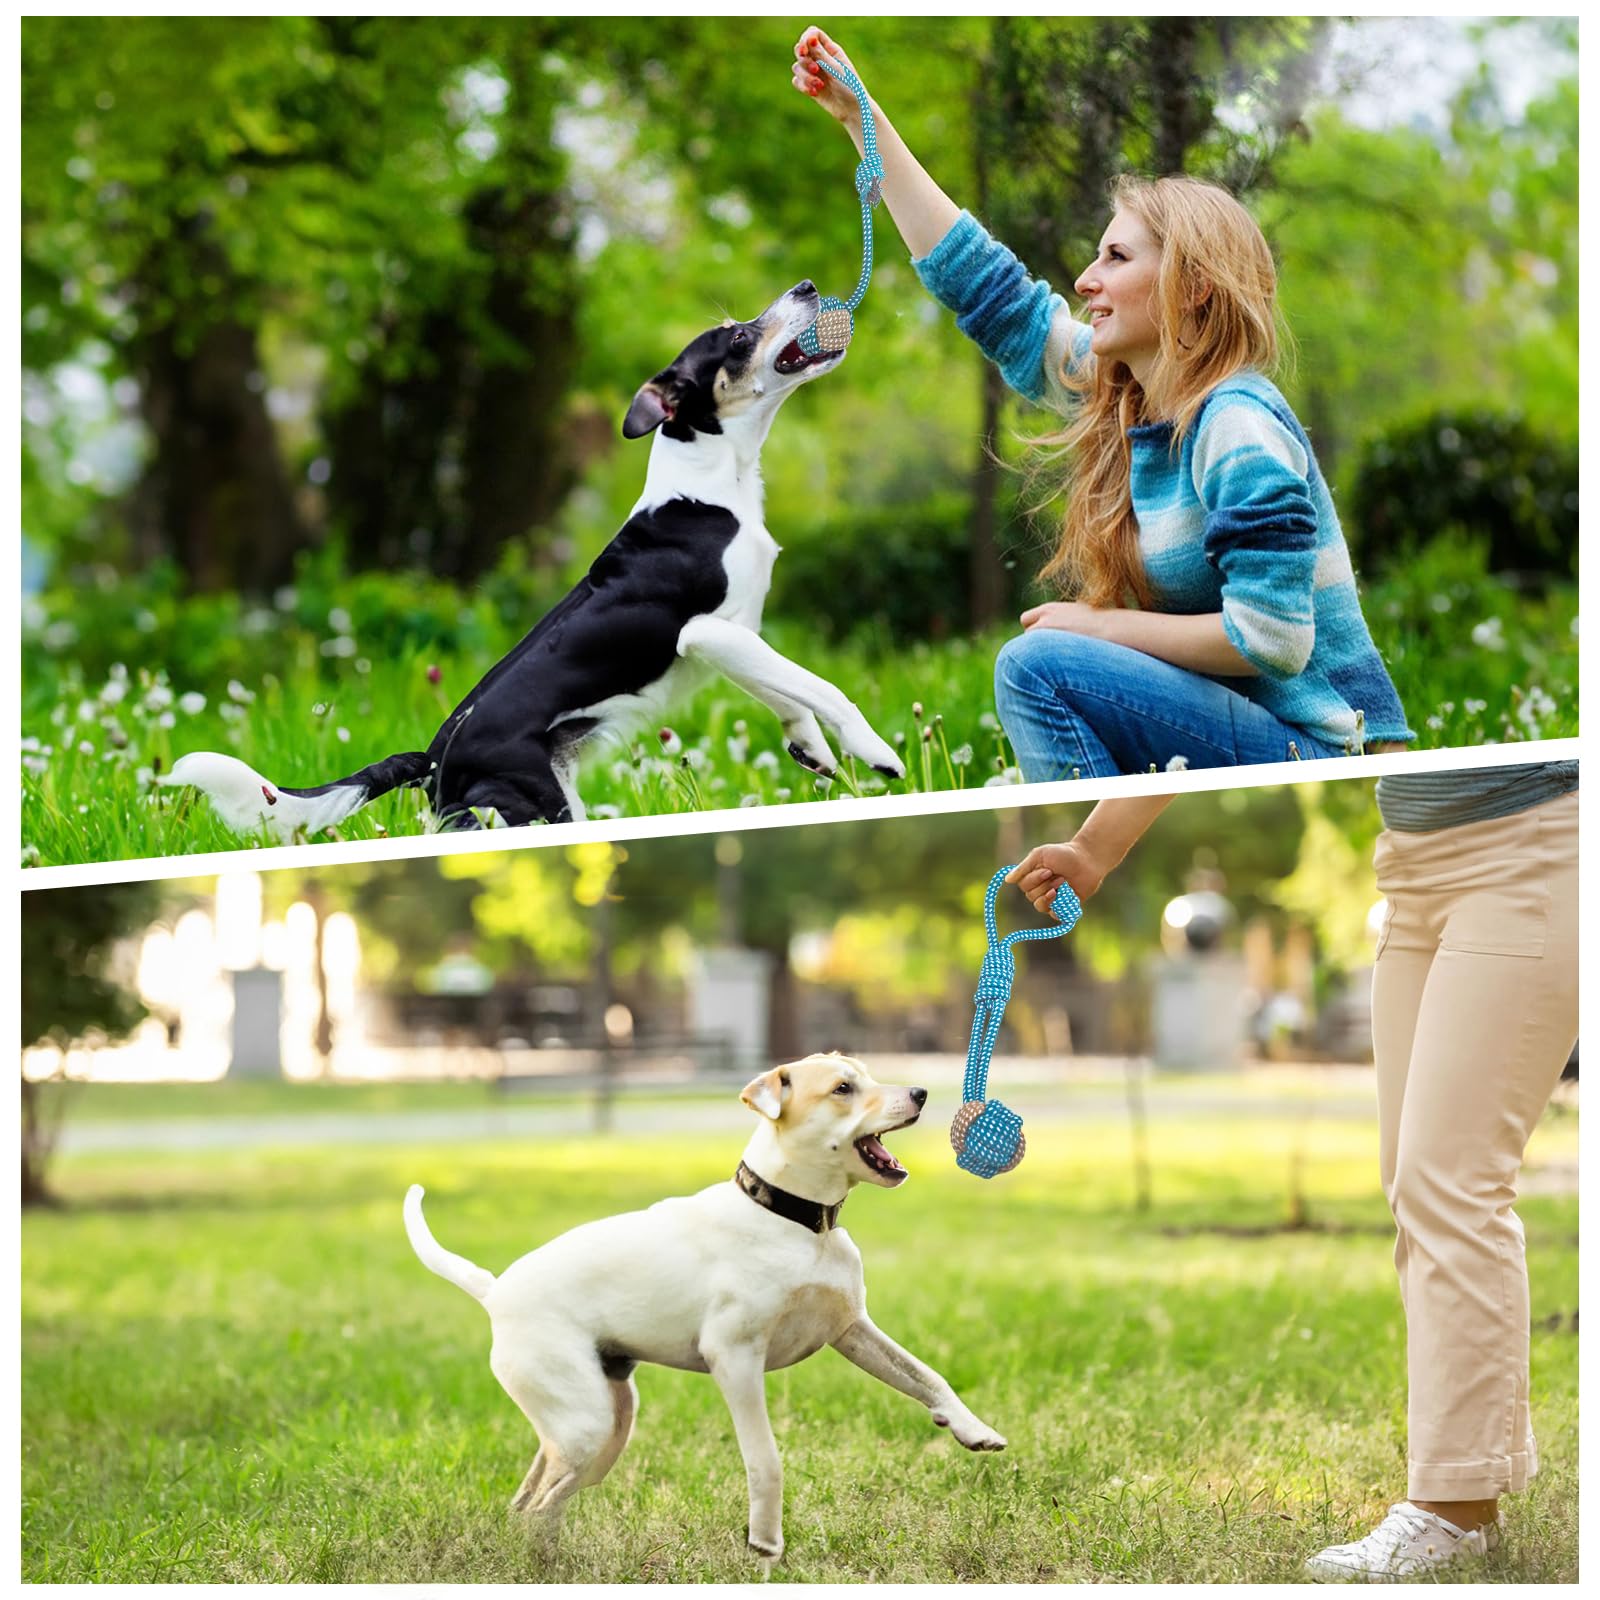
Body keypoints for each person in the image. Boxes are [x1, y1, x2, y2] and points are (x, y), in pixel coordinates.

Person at [1008, 761, 1578, 1580]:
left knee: (1450, 1181)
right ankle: (1471, 1498)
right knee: (1414, 1183)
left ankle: (1450, 1510)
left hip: (1533, 850)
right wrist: (1096, 846)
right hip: (1412, 868)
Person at [792, 28, 1414, 780]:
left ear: (1192, 285)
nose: (1086, 280)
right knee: (1051, 662)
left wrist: (1105, 628)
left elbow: (1275, 639)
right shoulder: (1133, 399)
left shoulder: (1238, 425)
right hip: (1253, 734)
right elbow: (992, 296)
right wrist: (863, 121)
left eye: (1115, 258)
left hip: (1326, 753)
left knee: (1041, 666)